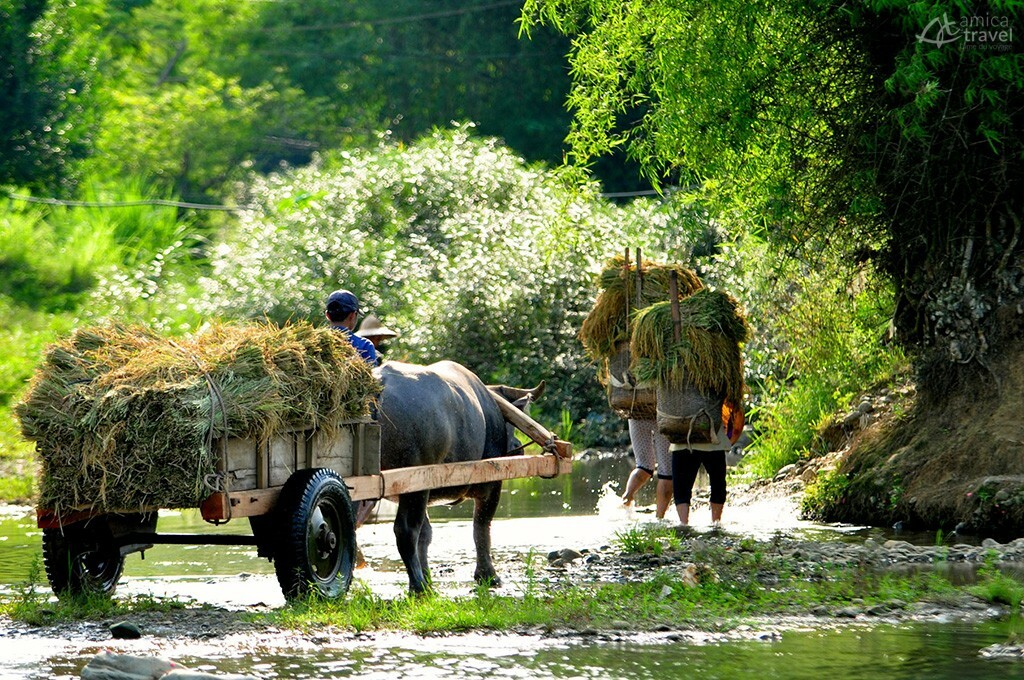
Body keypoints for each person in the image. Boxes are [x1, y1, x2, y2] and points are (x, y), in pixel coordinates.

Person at [671, 400, 744, 526]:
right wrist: (729, 440)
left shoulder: (677, 384)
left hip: (682, 439)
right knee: (717, 483)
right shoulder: (719, 383)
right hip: (714, 441)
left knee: (681, 486)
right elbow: (736, 414)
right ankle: (715, 523)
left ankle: (683, 524)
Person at [621, 417, 674, 519]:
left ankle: (626, 498)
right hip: (662, 416)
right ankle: (660, 518)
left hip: (637, 415)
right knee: (666, 472)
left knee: (644, 466)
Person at [325, 289, 377, 366]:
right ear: (352, 315)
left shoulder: (313, 340)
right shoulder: (365, 345)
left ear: (327, 315)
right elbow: (372, 375)